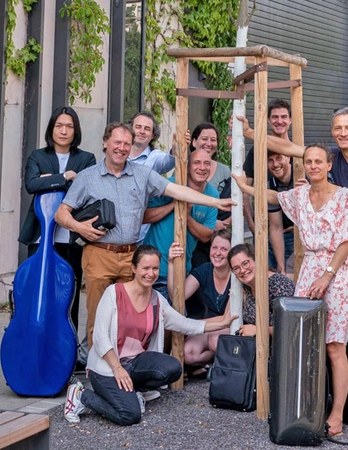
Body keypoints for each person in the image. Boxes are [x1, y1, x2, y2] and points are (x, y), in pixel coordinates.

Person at [55, 122, 234, 351]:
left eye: (126, 144)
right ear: (105, 143)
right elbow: (62, 214)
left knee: (130, 317)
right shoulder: (88, 177)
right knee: (99, 316)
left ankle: (125, 367)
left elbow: (176, 190)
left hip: (131, 256)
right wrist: (79, 228)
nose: (121, 148)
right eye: (117, 142)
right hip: (99, 254)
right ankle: (97, 370)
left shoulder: (142, 174)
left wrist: (215, 202)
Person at [234, 144, 348, 436]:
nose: (313, 166)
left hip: (335, 274)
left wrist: (326, 277)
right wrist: (243, 186)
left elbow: (346, 241)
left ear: (329, 165)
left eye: (318, 161)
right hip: (308, 271)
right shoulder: (299, 195)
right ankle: (306, 407)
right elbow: (273, 196)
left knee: (334, 346)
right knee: (305, 344)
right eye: (308, 162)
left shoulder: (343, 197)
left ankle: (337, 414)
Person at [63, 245, 236, 426]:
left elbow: (184, 324)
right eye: (145, 268)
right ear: (134, 268)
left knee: (172, 368)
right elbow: (100, 338)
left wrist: (222, 323)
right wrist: (117, 368)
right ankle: (81, 396)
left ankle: (132, 391)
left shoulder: (156, 300)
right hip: (106, 367)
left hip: (134, 364)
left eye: (155, 268)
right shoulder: (114, 293)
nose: (151, 273)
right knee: (129, 415)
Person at [238, 106, 348, 280]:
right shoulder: (329, 157)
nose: (343, 133)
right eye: (338, 128)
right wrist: (250, 133)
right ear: (332, 132)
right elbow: (288, 148)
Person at [18, 106, 96, 336]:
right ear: (52, 128)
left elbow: (86, 191)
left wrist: (48, 180)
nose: (64, 131)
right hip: (41, 237)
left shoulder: (86, 159)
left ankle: (66, 358)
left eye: (69, 126)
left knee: (67, 299)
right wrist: (64, 177)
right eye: (59, 125)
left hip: (70, 239)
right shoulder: (37, 156)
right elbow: (31, 185)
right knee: (37, 295)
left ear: (76, 130)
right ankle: (34, 346)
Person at [142, 149, 219, 300]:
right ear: (188, 166)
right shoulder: (169, 185)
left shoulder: (212, 194)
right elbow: (144, 216)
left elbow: (206, 235)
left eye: (207, 163)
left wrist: (187, 216)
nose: (202, 167)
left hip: (181, 269)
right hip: (152, 266)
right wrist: (174, 205)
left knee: (176, 317)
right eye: (197, 163)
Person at [167, 229, 232, 369]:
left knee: (216, 342)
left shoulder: (236, 274)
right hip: (211, 327)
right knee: (188, 353)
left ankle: (227, 367)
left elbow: (228, 319)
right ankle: (213, 363)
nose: (218, 253)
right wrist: (171, 263)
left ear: (232, 253)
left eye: (224, 249)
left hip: (233, 327)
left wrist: (188, 325)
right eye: (214, 247)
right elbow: (177, 296)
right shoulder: (205, 270)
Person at [242, 99, 293, 235]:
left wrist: (299, 227)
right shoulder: (257, 150)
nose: (279, 121)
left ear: (290, 120)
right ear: (268, 121)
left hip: (291, 233)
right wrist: (251, 224)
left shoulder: (297, 152)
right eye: (275, 117)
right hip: (263, 230)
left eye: (284, 117)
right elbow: (246, 191)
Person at [128, 111, 176, 243]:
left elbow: (167, 162)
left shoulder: (154, 157)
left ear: (153, 135)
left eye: (147, 129)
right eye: (138, 127)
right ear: (130, 129)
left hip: (141, 235)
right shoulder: (118, 155)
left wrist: (175, 149)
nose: (142, 131)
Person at [227, 243, 295, 337]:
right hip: (253, 347)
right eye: (236, 268)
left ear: (256, 260)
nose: (242, 270)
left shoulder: (278, 285)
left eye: (245, 263)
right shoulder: (245, 287)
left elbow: (292, 328)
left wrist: (258, 330)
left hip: (281, 348)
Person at [190, 123, 232, 268]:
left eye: (213, 140)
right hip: (191, 236)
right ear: (194, 142)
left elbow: (235, 202)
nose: (209, 143)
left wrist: (225, 223)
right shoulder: (183, 170)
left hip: (216, 238)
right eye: (205, 139)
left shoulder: (225, 171)